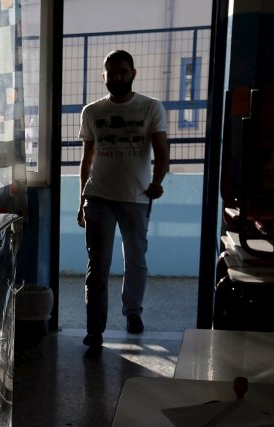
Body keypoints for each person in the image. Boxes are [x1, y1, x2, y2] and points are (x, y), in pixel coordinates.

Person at [77, 49, 169, 350]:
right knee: (98, 265)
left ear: (133, 73)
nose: (116, 77)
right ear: (104, 76)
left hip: (136, 197)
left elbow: (162, 153)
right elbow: (87, 159)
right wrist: (81, 202)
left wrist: (157, 182)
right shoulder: (92, 111)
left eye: (122, 71)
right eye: (111, 72)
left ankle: (132, 313)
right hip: (98, 196)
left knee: (136, 260)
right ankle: (94, 331)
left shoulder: (151, 107)